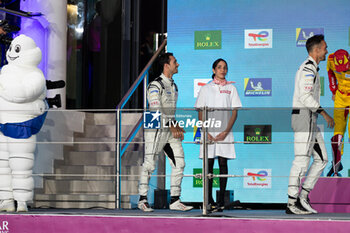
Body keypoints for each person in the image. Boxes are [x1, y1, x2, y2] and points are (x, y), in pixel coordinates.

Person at [138, 53, 193, 212]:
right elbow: (155, 109)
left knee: (180, 162)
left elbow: (170, 112)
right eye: (175, 62)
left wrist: (175, 124)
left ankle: (175, 200)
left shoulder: (173, 86)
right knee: (149, 164)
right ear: (166, 65)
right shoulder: (155, 85)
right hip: (155, 128)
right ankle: (143, 200)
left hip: (169, 129)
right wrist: (171, 124)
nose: (178, 64)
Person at [287, 34, 334, 215]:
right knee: (301, 160)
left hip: (309, 119)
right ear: (316, 50)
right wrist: (325, 113)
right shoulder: (308, 68)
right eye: (325, 48)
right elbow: (305, 97)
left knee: (322, 160)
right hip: (304, 118)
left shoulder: (311, 68)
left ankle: (303, 197)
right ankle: (292, 203)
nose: (327, 51)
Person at [0, 35, 47, 212]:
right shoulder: (5, 72)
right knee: (3, 165)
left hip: (22, 125)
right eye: (11, 48)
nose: (11, 52)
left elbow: (21, 93)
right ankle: (6, 199)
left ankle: (21, 200)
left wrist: (3, 86)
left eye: (17, 49)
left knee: (21, 166)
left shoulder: (35, 75)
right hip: (3, 124)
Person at [195, 58, 242, 212]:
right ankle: (208, 200)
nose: (223, 70)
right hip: (209, 130)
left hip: (225, 131)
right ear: (214, 70)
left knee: (223, 164)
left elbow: (234, 112)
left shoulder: (232, 88)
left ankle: (221, 200)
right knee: (208, 166)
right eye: (220, 67)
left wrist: (226, 132)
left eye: (225, 67)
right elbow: (200, 111)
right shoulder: (205, 88)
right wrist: (206, 130)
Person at [326, 49, 350, 176]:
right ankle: (336, 163)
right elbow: (330, 74)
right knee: (338, 132)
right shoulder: (330, 60)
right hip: (340, 98)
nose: (342, 71)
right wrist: (334, 91)